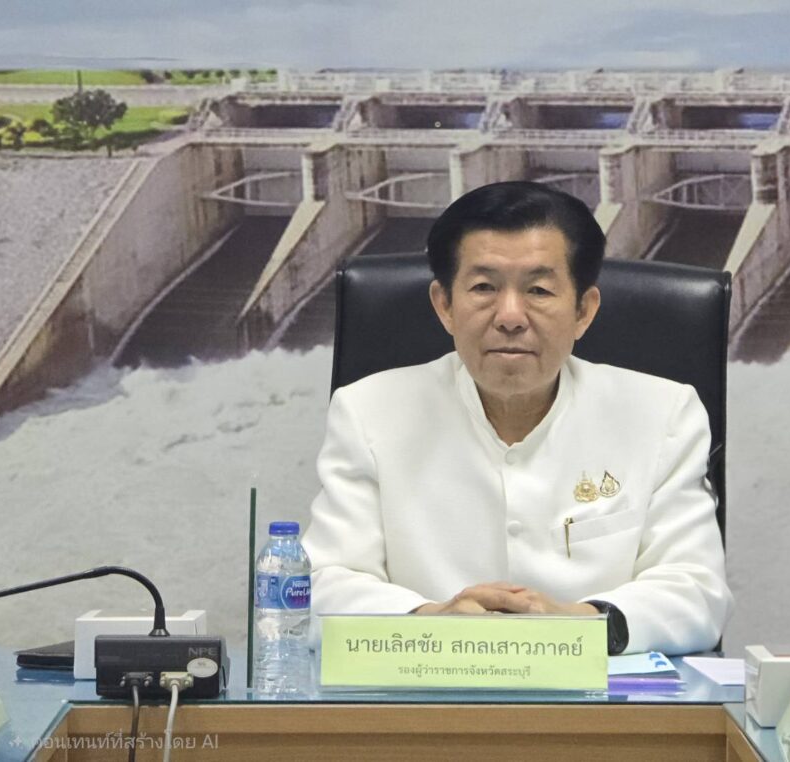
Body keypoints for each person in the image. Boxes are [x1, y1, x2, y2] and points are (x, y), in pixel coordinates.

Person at [301, 181, 732, 654]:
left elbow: (697, 592)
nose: (510, 316)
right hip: (425, 688)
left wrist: (576, 624)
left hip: (599, 694)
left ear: (584, 311)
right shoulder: (368, 410)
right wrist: (432, 621)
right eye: (484, 288)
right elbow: (321, 585)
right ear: (444, 306)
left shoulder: (662, 413)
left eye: (538, 290)